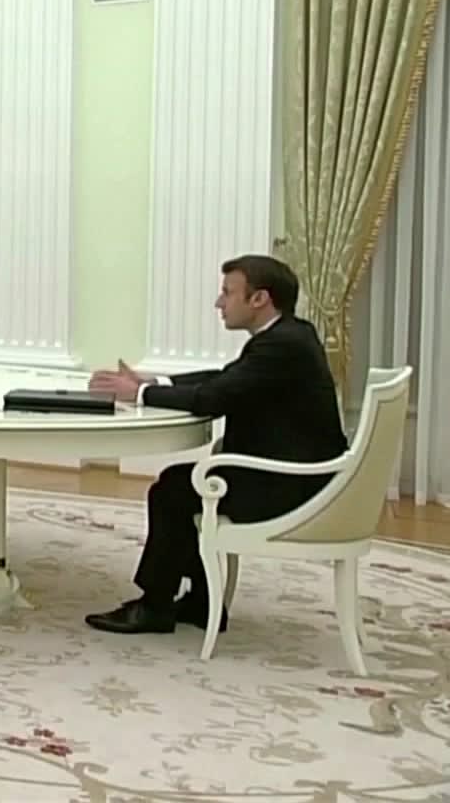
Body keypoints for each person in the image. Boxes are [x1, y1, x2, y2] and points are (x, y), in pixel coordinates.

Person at [83, 254, 347, 635]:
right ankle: (200, 603)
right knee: (182, 484)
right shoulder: (289, 336)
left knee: (173, 491)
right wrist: (155, 382)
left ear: (259, 299)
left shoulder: (281, 346)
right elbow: (226, 378)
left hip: (290, 487)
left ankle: (155, 606)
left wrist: (138, 393)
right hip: (298, 476)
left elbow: (212, 398)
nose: (218, 302)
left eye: (227, 292)